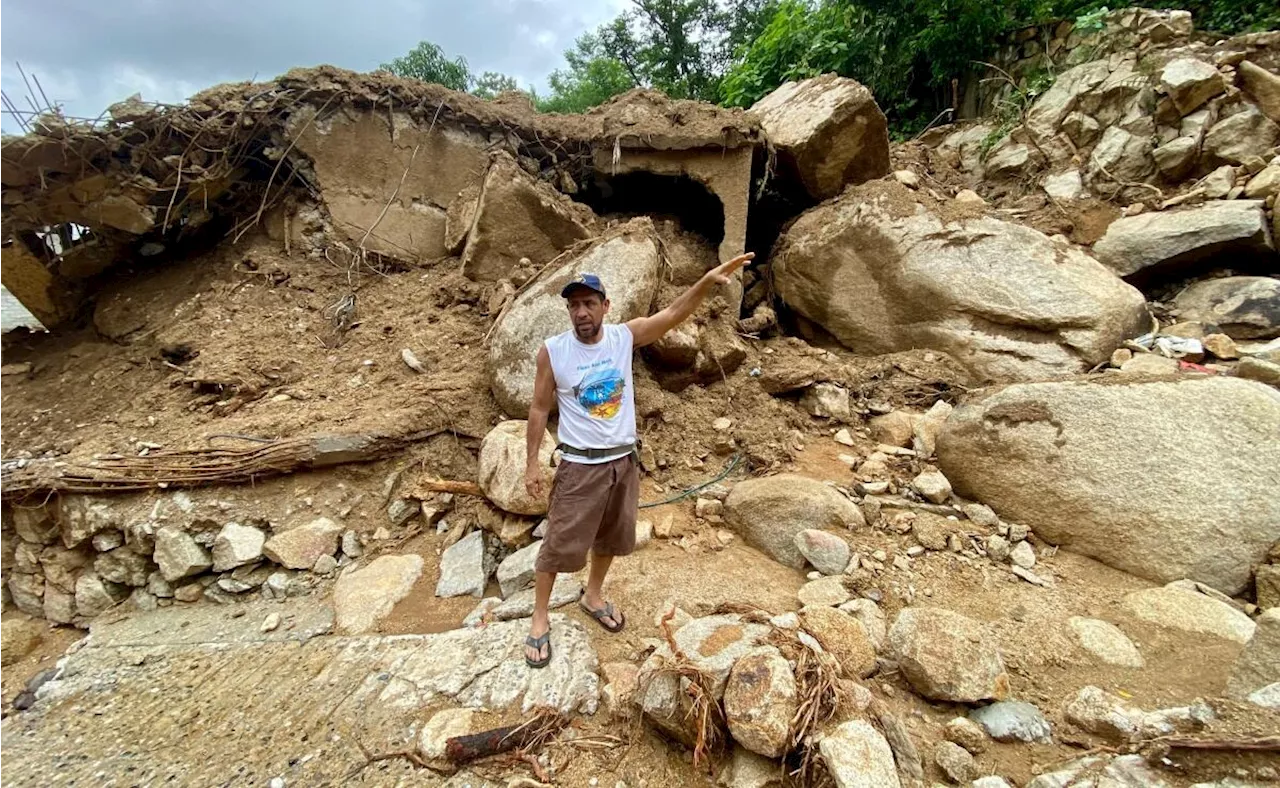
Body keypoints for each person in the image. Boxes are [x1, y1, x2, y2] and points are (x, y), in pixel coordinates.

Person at [522, 252, 755, 668]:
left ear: (605, 306)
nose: (581, 312)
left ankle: (592, 595)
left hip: (622, 463)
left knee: (611, 538)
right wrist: (531, 464)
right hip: (579, 466)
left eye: (589, 303)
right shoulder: (553, 352)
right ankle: (540, 618)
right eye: (574, 304)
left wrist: (704, 282)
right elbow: (539, 409)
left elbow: (672, 313)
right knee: (558, 546)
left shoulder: (622, 337)